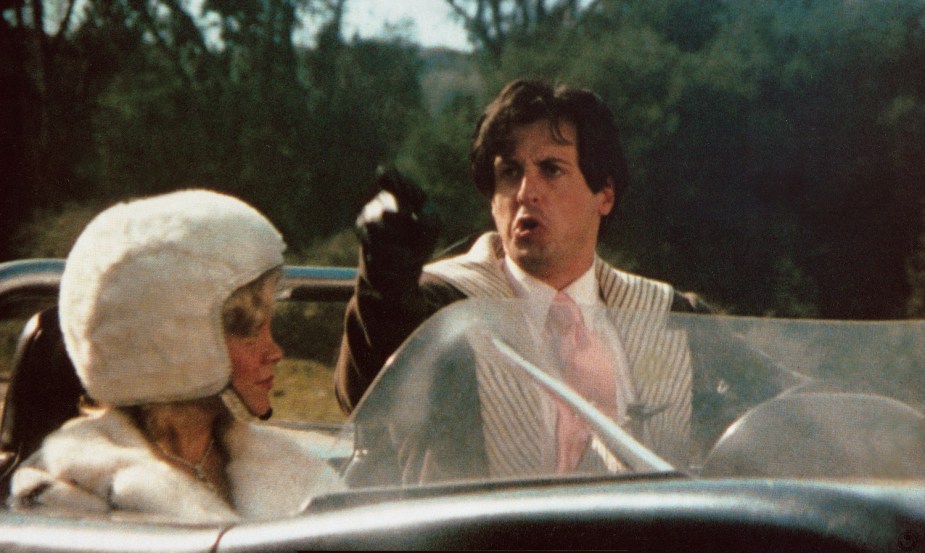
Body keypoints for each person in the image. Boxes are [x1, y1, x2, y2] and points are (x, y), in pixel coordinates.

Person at [336, 79, 806, 479]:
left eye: (551, 169)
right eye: (509, 172)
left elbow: (794, 405)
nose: (525, 192)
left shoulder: (667, 314)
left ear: (604, 194)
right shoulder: (442, 303)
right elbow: (368, 386)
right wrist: (382, 276)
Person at [8, 190, 343, 522]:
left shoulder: (295, 472)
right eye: (248, 328)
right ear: (173, 340)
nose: (275, 351)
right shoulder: (67, 491)